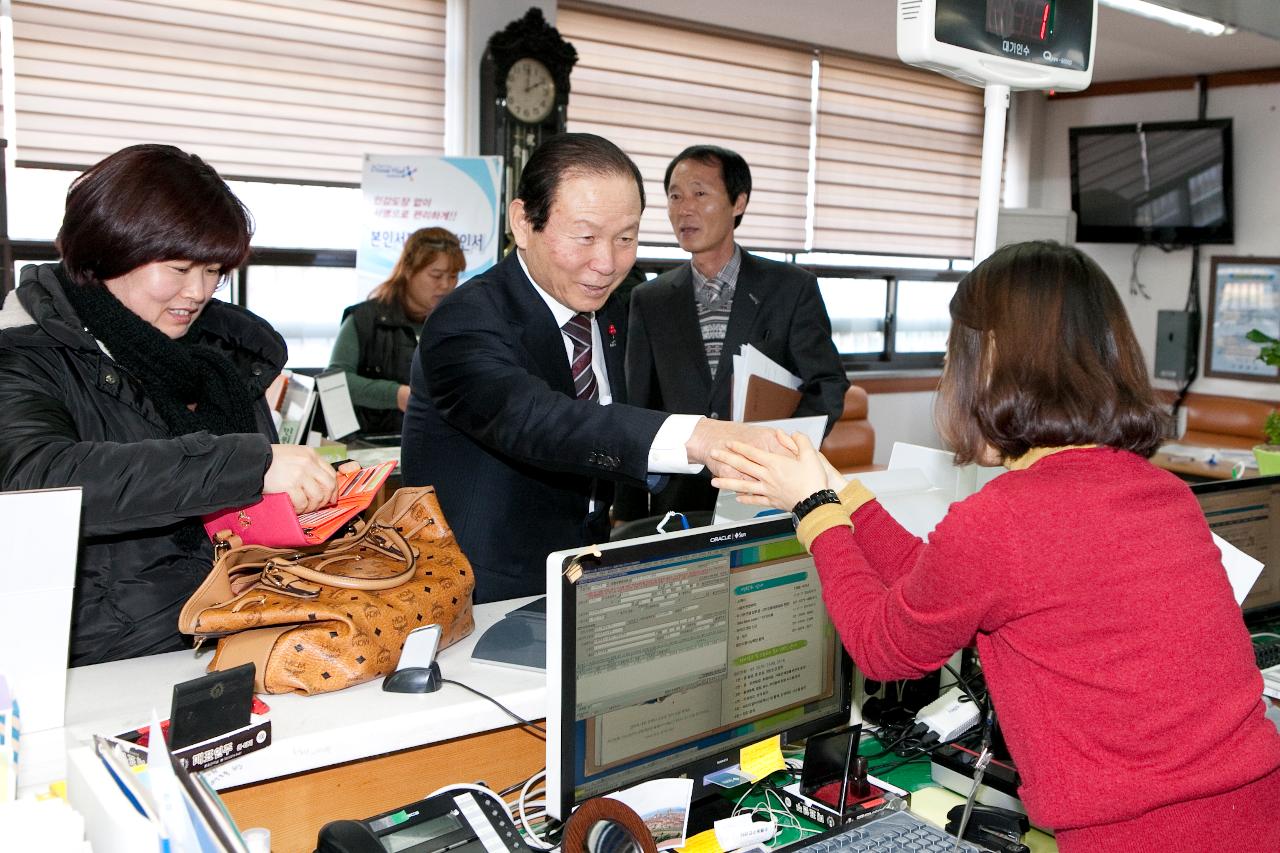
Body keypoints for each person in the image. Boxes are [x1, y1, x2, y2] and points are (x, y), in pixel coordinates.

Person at [710, 241, 1280, 851]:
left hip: (1143, 837)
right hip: (1254, 813)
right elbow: (941, 586)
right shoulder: (1160, 492)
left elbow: (885, 648)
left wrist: (814, 515)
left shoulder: (1005, 517)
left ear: (991, 365)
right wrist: (838, 493)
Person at [401, 133, 784, 603]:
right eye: (584, 236)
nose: (606, 263)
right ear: (523, 222)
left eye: (625, 238)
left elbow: (611, 428)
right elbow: (538, 419)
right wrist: (702, 436)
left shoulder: (609, 313)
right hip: (480, 589)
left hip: (581, 572)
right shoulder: (465, 320)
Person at [0, 144, 341, 667]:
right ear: (107, 250)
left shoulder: (221, 361)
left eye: (213, 271)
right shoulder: (26, 356)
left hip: (241, 636)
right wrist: (247, 465)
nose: (197, 291)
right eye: (178, 267)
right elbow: (38, 478)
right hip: (106, 667)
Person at [622, 144, 847, 519]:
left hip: (766, 488)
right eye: (675, 196)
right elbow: (637, 406)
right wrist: (628, 511)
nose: (684, 209)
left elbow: (827, 383)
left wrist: (784, 452)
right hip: (678, 498)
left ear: (738, 202)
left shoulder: (790, 288)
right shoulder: (650, 299)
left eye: (699, 193)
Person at [328, 228, 466, 435]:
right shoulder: (364, 319)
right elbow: (333, 382)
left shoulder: (459, 322)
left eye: (453, 276)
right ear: (408, 270)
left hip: (439, 441)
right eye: (436, 275)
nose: (446, 285)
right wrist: (396, 395)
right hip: (372, 448)